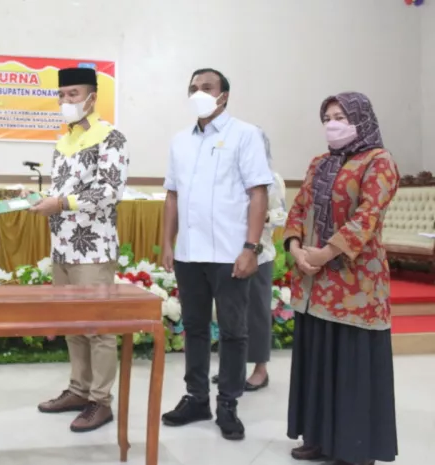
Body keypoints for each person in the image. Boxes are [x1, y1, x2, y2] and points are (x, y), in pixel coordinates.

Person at [284, 92, 398, 465]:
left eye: (341, 117)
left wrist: (326, 252)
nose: (332, 124)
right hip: (314, 282)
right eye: (328, 118)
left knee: (350, 362)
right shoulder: (320, 162)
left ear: (362, 120)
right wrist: (296, 248)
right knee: (318, 358)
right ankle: (318, 437)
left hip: (355, 283)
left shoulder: (379, 162)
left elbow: (368, 215)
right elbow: (300, 207)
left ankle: (353, 447)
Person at [160, 68, 272, 441]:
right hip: (189, 254)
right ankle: (196, 399)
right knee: (192, 328)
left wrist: (251, 247)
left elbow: (258, 192)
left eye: (206, 87)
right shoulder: (180, 141)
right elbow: (172, 195)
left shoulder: (245, 134)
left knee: (233, 331)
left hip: (230, 252)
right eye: (193, 88)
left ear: (224, 95)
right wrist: (167, 243)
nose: (199, 93)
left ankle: (228, 403)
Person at [32, 67, 129, 433]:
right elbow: (63, 191)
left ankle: (100, 401)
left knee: (98, 327)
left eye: (73, 94)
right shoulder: (62, 142)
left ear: (92, 97)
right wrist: (41, 200)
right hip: (62, 248)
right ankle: (78, 390)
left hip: (93, 249)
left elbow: (110, 191)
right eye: (62, 95)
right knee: (74, 323)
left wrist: (60, 203)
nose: (66, 101)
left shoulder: (111, 137)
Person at [211, 131, 287, 390]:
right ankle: (232, 368)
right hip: (228, 254)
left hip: (259, 255)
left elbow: (282, 215)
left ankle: (260, 370)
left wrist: (262, 217)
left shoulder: (272, 179)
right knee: (230, 313)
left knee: (256, 313)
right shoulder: (227, 177)